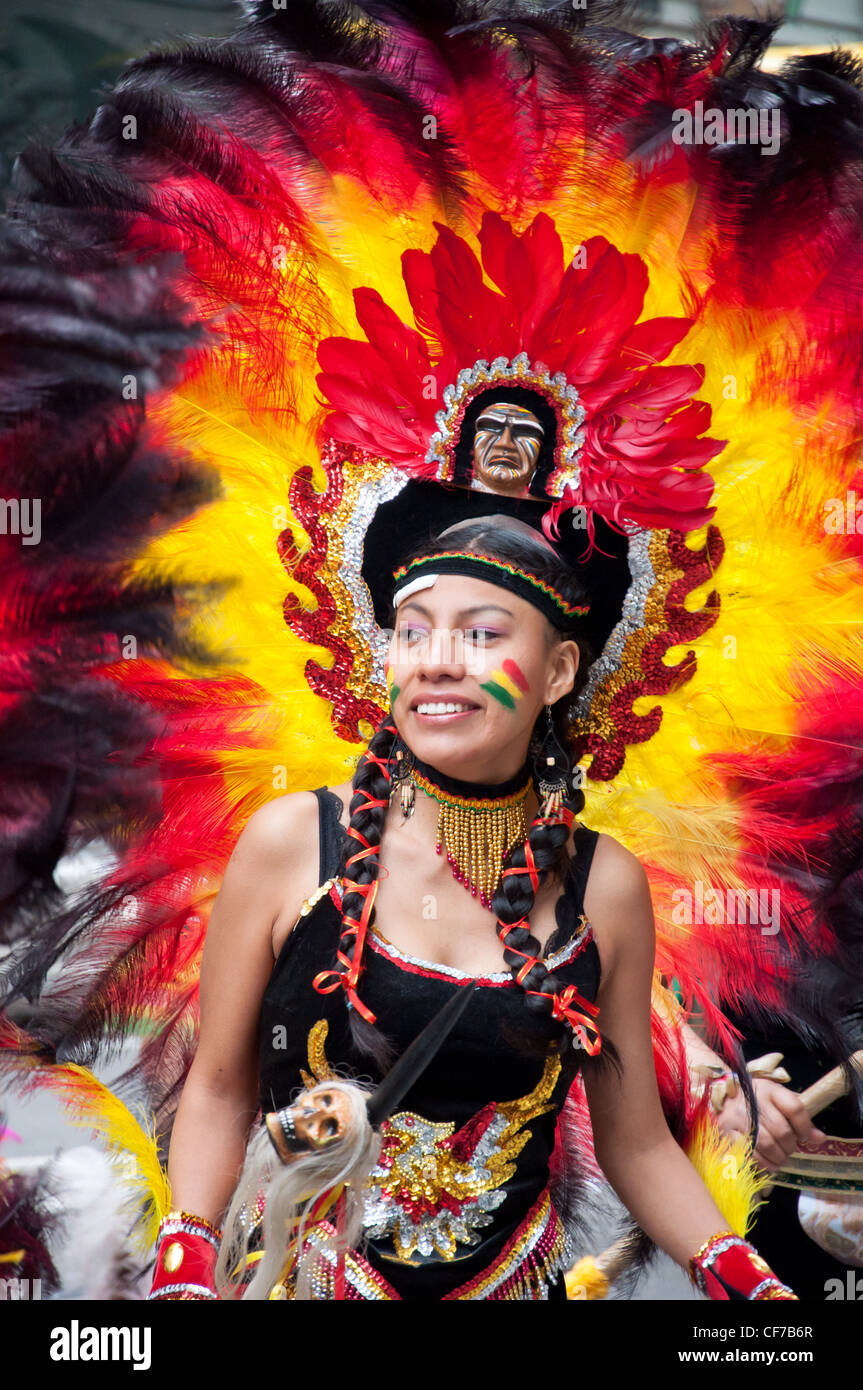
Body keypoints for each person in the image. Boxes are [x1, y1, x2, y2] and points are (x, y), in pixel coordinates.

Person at [148, 518, 796, 1301]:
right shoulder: (293, 843)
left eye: (482, 634)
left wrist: (754, 1292)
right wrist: (183, 1274)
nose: (437, 663)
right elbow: (218, 1090)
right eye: (411, 633)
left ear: (558, 671)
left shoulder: (605, 886)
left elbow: (638, 1147)